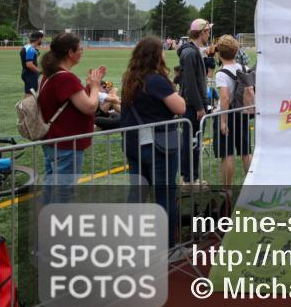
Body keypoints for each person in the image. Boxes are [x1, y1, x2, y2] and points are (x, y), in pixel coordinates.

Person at [120, 36, 186, 248]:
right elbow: (180, 107)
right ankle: (166, 245)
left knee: (137, 193)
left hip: (134, 144)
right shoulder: (156, 80)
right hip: (158, 146)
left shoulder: (130, 77)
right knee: (164, 195)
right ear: (156, 55)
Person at [37, 33, 106, 203]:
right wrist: (96, 86)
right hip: (67, 143)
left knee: (51, 184)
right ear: (70, 52)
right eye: (80, 49)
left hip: (53, 140)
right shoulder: (66, 78)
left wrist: (90, 86)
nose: (82, 52)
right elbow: (89, 107)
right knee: (64, 192)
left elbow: (74, 103)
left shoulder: (51, 74)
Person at [213, 35, 253, 189]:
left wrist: (223, 120)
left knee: (227, 154)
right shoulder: (244, 69)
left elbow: (224, 98)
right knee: (246, 152)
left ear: (219, 53)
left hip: (227, 114)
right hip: (242, 112)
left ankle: (227, 190)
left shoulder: (221, 73)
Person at [177, 19, 211, 187]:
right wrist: (199, 107)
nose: (209, 34)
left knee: (193, 142)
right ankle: (189, 179)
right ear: (201, 32)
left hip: (194, 105)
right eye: (207, 31)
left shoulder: (193, 51)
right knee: (192, 142)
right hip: (193, 106)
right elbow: (191, 83)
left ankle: (191, 177)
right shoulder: (190, 53)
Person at [20, 31, 43, 97]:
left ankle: (26, 106)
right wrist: (40, 71)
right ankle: (25, 107)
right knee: (30, 95)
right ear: (39, 39)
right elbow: (29, 65)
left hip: (27, 73)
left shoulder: (27, 47)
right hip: (30, 74)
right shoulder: (31, 49)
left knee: (30, 93)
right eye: (42, 39)